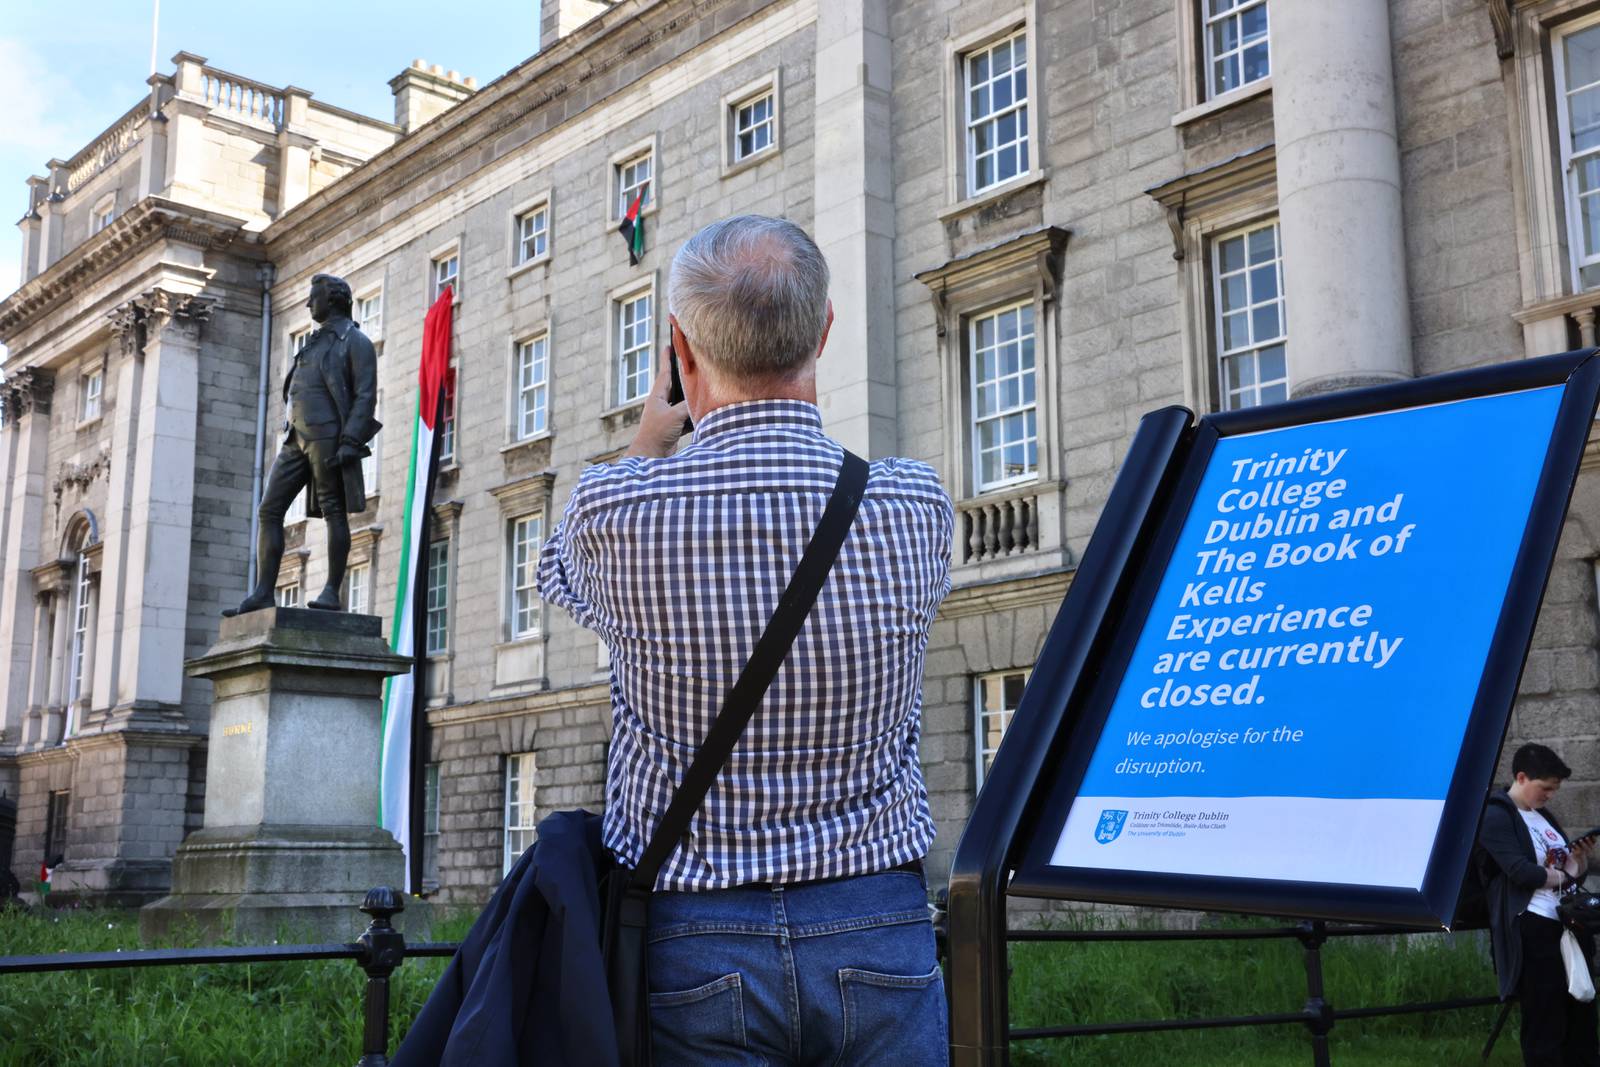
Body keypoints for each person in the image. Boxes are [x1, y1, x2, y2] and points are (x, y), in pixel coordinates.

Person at [536, 215, 952, 1065]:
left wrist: (651, 437)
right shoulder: (913, 505)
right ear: (825, 330)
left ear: (681, 354)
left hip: (695, 932)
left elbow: (555, 574)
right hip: (879, 920)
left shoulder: (615, 512)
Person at [226, 273, 380, 615]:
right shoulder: (314, 342)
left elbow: (365, 396)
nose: (309, 303)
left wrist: (351, 440)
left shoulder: (355, 342)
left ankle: (330, 592)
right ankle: (264, 592)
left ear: (333, 300)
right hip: (296, 438)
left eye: (315, 297)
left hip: (329, 438)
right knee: (269, 509)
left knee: (333, 511)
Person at [1478, 742, 1600, 1065]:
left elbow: (1569, 871)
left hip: (1567, 925)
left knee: (1582, 1016)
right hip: (1534, 928)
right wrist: (1565, 874)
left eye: (1553, 790)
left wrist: (1578, 859)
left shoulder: (1543, 816)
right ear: (1521, 777)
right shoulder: (1495, 814)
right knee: (1545, 1020)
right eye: (1545, 788)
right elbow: (1522, 873)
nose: (1549, 796)